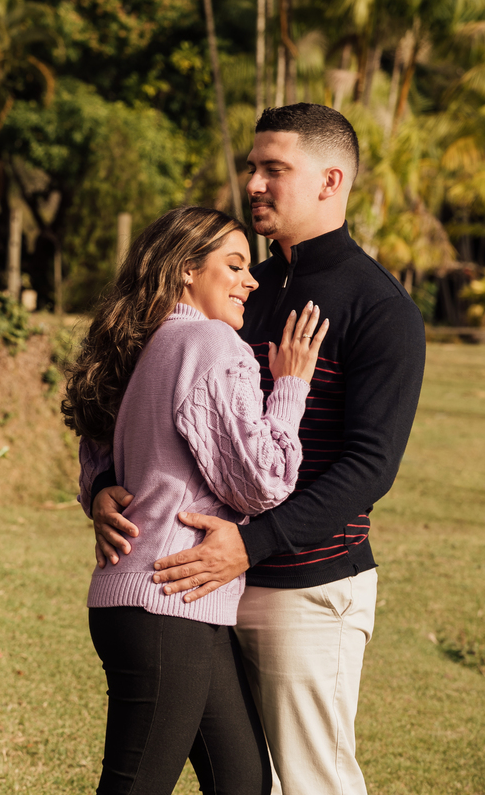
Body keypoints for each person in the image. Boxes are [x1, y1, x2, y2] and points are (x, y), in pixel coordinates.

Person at [85, 103, 427, 795]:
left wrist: (252, 543)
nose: (254, 184)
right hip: (204, 587)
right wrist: (102, 482)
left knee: (310, 783)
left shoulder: (379, 308)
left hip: (306, 588)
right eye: (251, 167)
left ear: (331, 181)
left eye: (275, 169)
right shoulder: (239, 284)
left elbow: (370, 467)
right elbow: (130, 385)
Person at [65, 205, 330, 794]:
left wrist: (101, 491)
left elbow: (95, 452)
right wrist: (291, 386)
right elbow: (262, 482)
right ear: (186, 270)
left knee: (242, 781)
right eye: (234, 266)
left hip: (167, 604)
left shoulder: (141, 343)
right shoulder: (211, 342)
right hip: (166, 602)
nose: (251, 280)